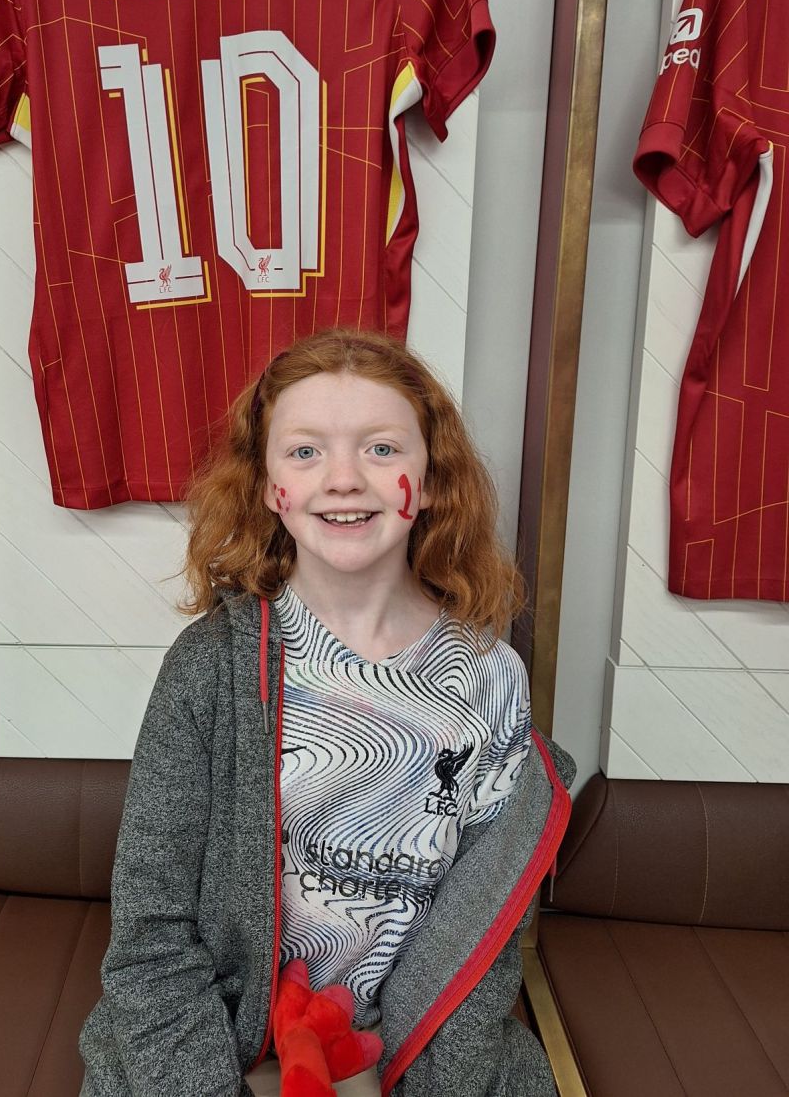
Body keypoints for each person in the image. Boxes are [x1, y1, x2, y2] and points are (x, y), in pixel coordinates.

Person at [79, 329, 574, 1097]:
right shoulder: (208, 667)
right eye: (305, 451)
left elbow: (481, 943)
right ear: (267, 482)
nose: (343, 479)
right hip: (228, 1041)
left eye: (381, 449)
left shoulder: (490, 678)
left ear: (433, 478)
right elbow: (152, 938)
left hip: (410, 1049)